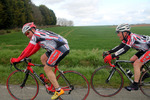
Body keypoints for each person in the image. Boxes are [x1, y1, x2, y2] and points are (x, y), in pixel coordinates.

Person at [10, 22, 70, 99]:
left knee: (47, 68)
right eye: (25, 34)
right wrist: (26, 56)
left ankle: (58, 90)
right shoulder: (38, 33)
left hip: (61, 48)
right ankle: (51, 79)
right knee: (43, 58)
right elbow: (35, 49)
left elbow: (28, 49)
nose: (27, 35)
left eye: (27, 33)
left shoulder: (36, 35)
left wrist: (18, 59)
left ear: (32, 29)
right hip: (56, 48)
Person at [104, 23, 150, 91]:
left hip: (148, 49)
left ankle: (135, 85)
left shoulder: (132, 37)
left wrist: (112, 56)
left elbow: (125, 49)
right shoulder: (127, 38)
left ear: (125, 32)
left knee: (137, 64)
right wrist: (109, 52)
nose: (118, 35)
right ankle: (145, 74)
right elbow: (120, 46)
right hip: (144, 49)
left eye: (119, 33)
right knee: (132, 60)